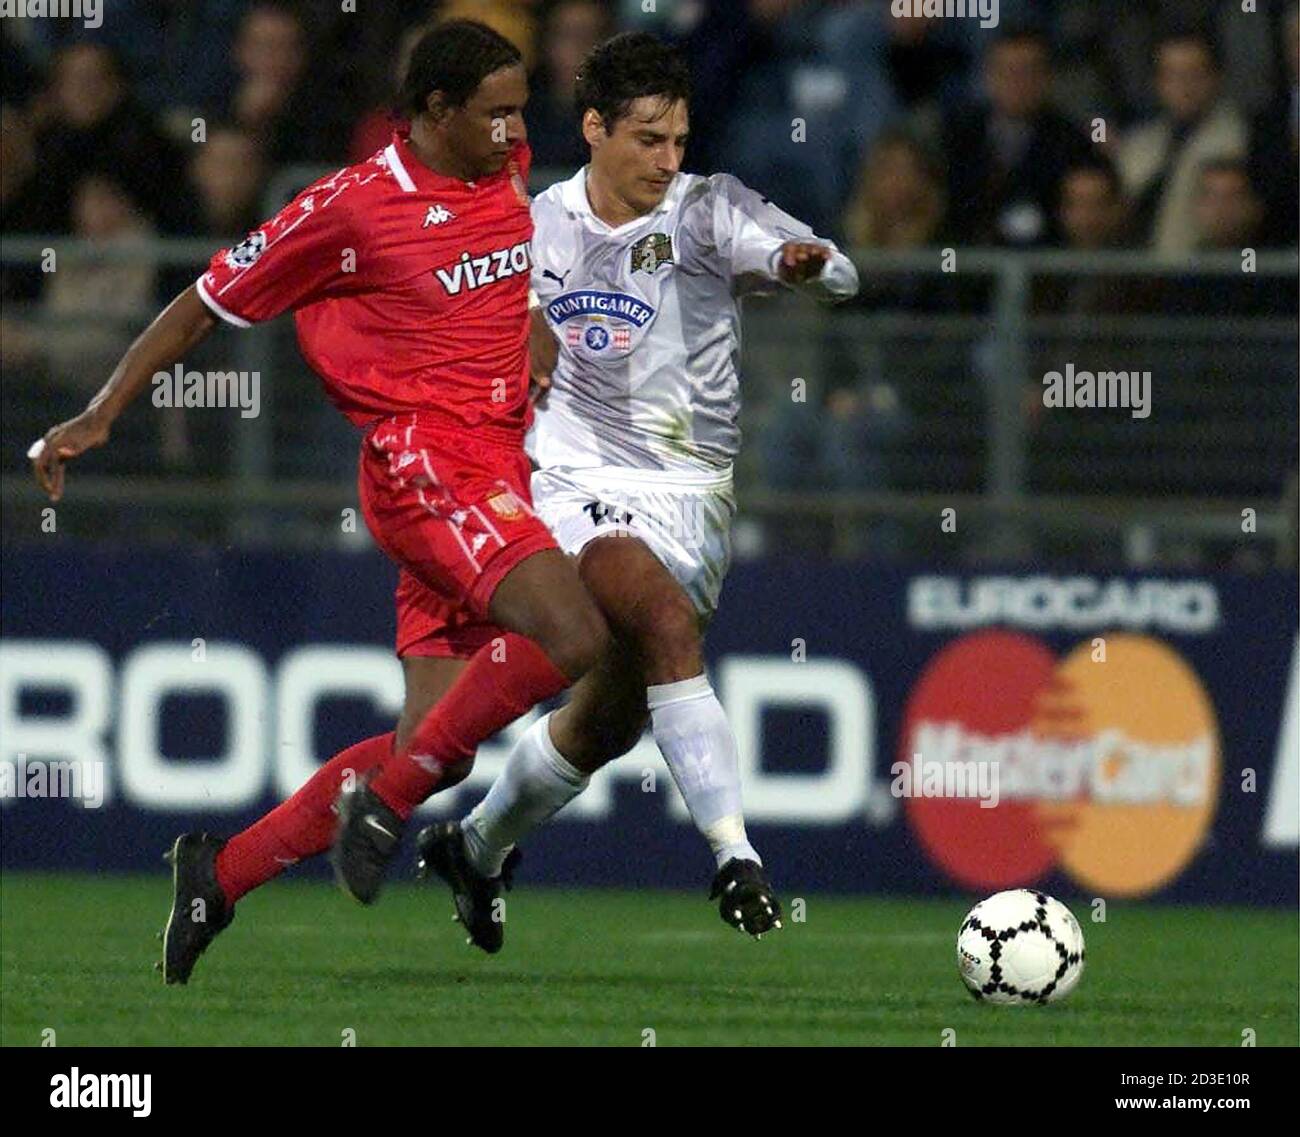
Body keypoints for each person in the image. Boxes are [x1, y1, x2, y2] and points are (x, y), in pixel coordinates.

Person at [30, 20, 610, 984]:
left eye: (518, 112)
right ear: (433, 111)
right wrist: (99, 413)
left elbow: (514, 263)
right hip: (426, 465)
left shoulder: (502, 165)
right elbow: (204, 302)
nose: (517, 134)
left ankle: (220, 872)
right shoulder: (349, 208)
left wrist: (537, 321)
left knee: (435, 744)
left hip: (497, 470)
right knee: (577, 635)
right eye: (497, 114)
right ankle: (383, 811)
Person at [415, 32, 859, 952]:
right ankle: (735, 853)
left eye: (678, 140)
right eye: (648, 139)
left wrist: (799, 264)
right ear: (594, 129)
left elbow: (837, 268)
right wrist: (517, 336)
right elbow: (472, 322)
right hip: (575, 480)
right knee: (658, 618)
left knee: (610, 718)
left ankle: (476, 845)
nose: (668, 160)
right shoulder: (532, 222)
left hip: (695, 494)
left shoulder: (709, 212)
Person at [1117, 27, 1247, 257]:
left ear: (1217, 77)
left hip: (1206, 274)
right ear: (1158, 82)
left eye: (1194, 74)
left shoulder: (1240, 139)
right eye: (1172, 75)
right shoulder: (1137, 145)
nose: (1184, 86)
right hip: (1137, 277)